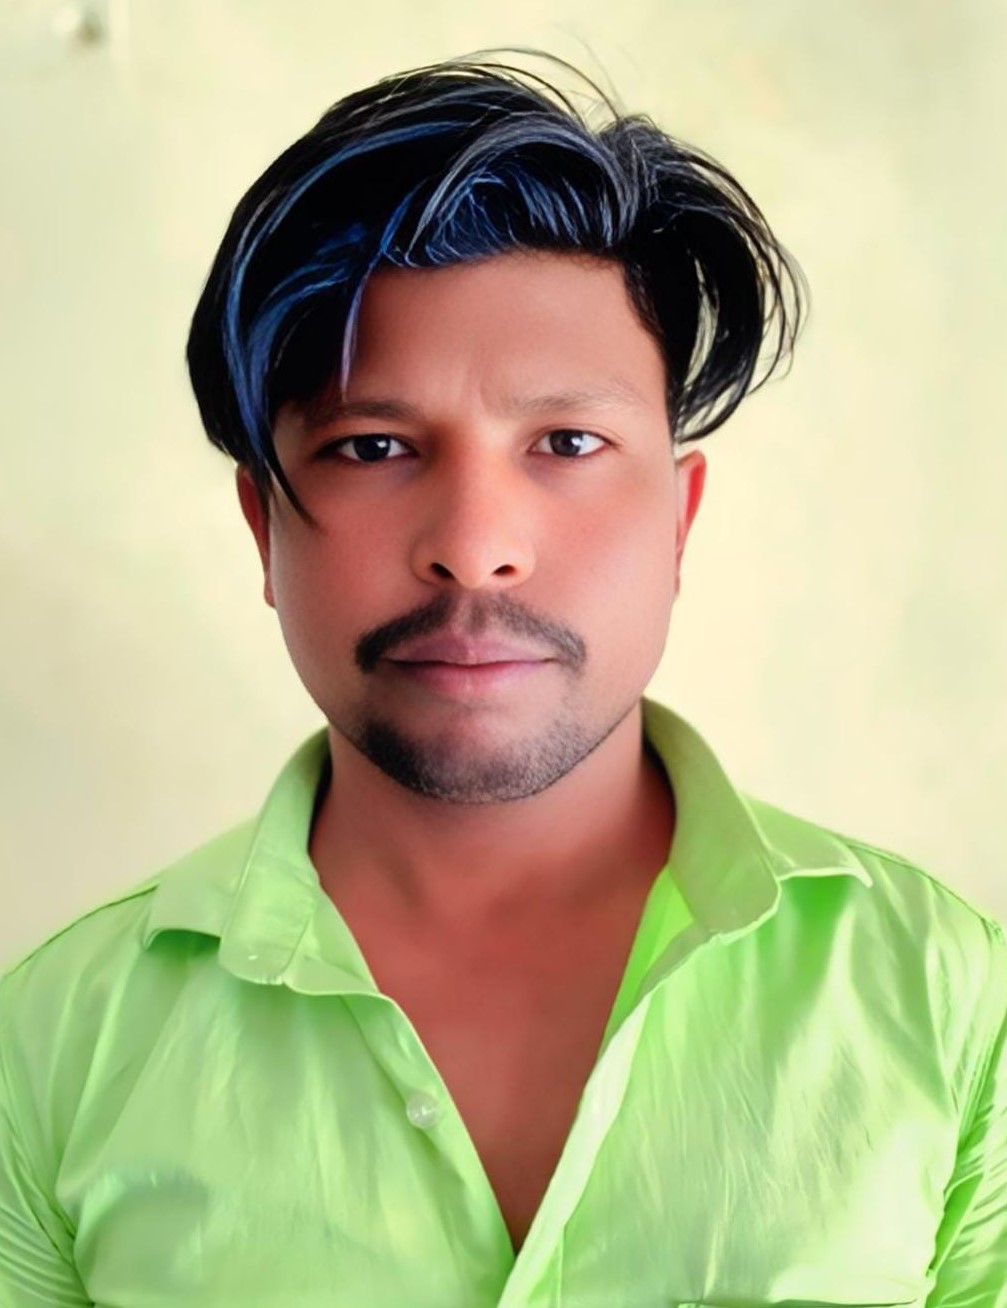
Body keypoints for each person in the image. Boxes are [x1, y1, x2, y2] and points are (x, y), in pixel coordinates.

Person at [1, 53, 1004, 1308]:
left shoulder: (950, 1001)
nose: (473, 545)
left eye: (567, 442)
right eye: (373, 446)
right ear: (263, 528)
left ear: (677, 518)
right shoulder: (50, 1048)